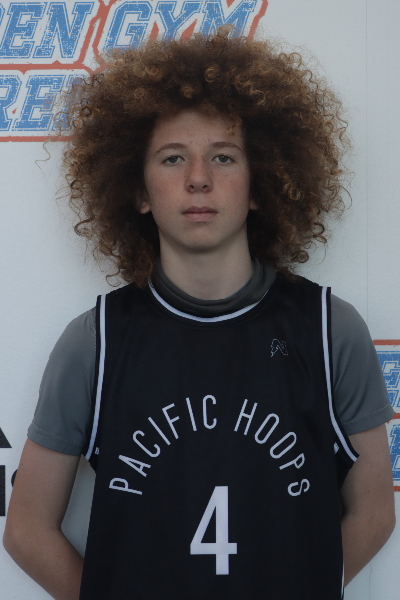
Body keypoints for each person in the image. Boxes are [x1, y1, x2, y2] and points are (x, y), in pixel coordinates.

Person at [3, 27, 395, 600]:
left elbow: (375, 512)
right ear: (139, 192)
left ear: (260, 185)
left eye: (223, 157)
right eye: (172, 158)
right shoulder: (96, 341)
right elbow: (26, 530)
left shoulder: (330, 330)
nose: (198, 178)